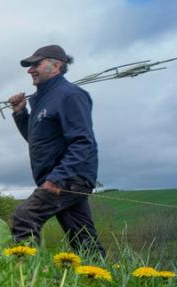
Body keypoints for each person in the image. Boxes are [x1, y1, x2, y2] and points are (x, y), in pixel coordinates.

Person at [7, 44, 106, 258]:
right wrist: (20, 113)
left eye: (36, 64)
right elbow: (36, 140)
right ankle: (101, 278)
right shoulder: (42, 99)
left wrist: (57, 179)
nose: (30, 70)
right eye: (29, 65)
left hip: (68, 179)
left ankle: (26, 279)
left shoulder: (70, 95)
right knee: (83, 239)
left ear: (56, 65)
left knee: (25, 217)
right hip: (57, 179)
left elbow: (83, 142)